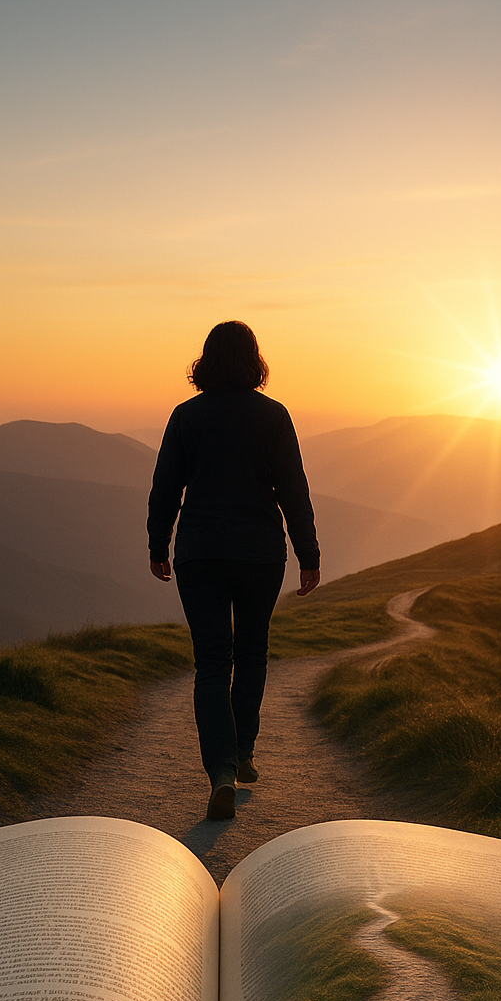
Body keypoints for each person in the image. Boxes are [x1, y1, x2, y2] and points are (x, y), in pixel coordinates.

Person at [147, 320, 321, 821]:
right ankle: (244, 751)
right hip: (259, 552)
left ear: (205, 361)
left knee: (211, 662)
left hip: (200, 551)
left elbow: (165, 490)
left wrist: (158, 544)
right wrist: (308, 554)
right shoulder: (274, 416)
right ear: (254, 360)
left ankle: (221, 770)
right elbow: (294, 490)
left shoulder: (186, 416)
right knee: (251, 652)